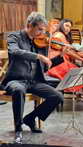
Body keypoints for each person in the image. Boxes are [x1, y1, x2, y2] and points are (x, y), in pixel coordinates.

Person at [1, 12, 64, 143]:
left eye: (43, 30)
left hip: (34, 81)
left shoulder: (40, 42)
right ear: (30, 25)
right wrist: (38, 56)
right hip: (15, 80)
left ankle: (30, 118)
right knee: (18, 90)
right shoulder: (15, 37)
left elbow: (45, 68)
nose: (42, 32)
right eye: (39, 29)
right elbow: (14, 51)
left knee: (57, 96)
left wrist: (60, 57)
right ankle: (18, 128)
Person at [46, 19, 83, 111]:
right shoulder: (59, 35)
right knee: (82, 75)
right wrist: (82, 59)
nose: (68, 28)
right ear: (61, 25)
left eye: (70, 26)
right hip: (57, 66)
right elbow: (69, 52)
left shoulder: (62, 36)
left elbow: (74, 51)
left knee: (82, 74)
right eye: (66, 25)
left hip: (62, 64)